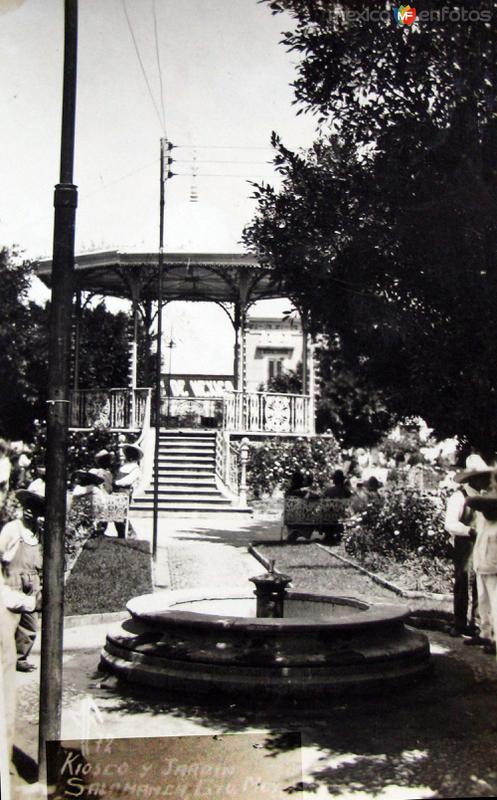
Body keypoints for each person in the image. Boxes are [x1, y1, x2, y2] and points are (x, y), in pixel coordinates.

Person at [0, 490, 44, 672]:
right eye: (27, 507)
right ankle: (6, 656)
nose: (29, 511)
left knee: (30, 623)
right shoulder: (12, 529)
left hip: (32, 581)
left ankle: (21, 656)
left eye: (33, 509)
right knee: (9, 620)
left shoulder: (39, 534)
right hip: (13, 578)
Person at [446, 455, 487, 637]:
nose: (485, 480)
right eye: (481, 477)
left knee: (481, 583)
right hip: (465, 545)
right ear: (472, 478)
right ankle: (459, 621)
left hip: (483, 546)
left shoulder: (484, 498)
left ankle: (476, 622)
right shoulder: (459, 496)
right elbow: (450, 524)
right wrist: (469, 531)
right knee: (462, 581)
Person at [463, 466, 497, 655]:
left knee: (496, 602)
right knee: (483, 602)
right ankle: (484, 633)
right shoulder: (484, 518)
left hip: (494, 566)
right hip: (482, 562)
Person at [113, 443, 143, 539]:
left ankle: (129, 534)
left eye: (131, 454)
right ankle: (121, 533)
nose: (129, 456)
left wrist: (117, 483)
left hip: (124, 491)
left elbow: (128, 480)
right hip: (116, 491)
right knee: (115, 513)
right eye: (128, 453)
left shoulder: (135, 468)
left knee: (122, 514)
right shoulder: (123, 466)